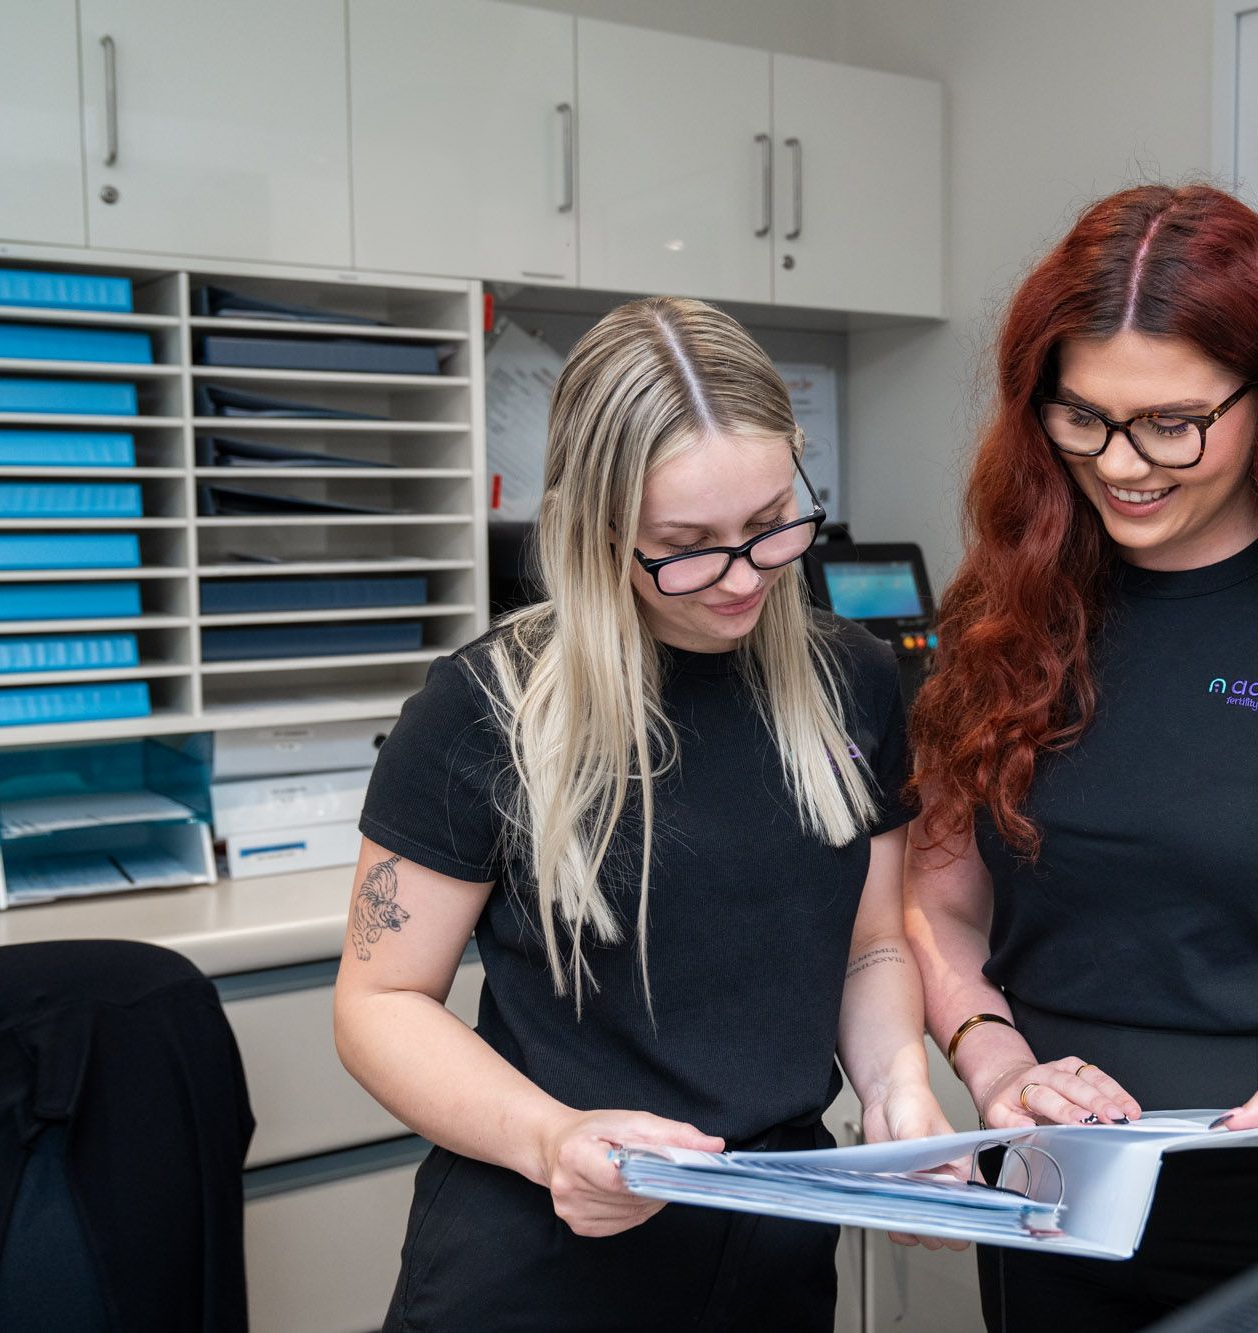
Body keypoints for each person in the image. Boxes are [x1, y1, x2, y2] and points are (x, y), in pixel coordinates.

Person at [903, 184, 1258, 1330]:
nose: (1120, 462)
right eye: (1081, 418)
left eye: (1171, 423)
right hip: (1056, 1203)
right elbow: (937, 911)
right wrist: (996, 1064)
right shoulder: (1000, 618)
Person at [333, 296, 957, 1331]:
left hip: (775, 1243)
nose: (744, 575)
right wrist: (548, 1138)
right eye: (685, 544)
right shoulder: (484, 708)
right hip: (546, 1251)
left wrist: (897, 1090)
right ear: (595, 525)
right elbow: (379, 1000)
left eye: (770, 523)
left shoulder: (851, 679)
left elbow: (872, 942)